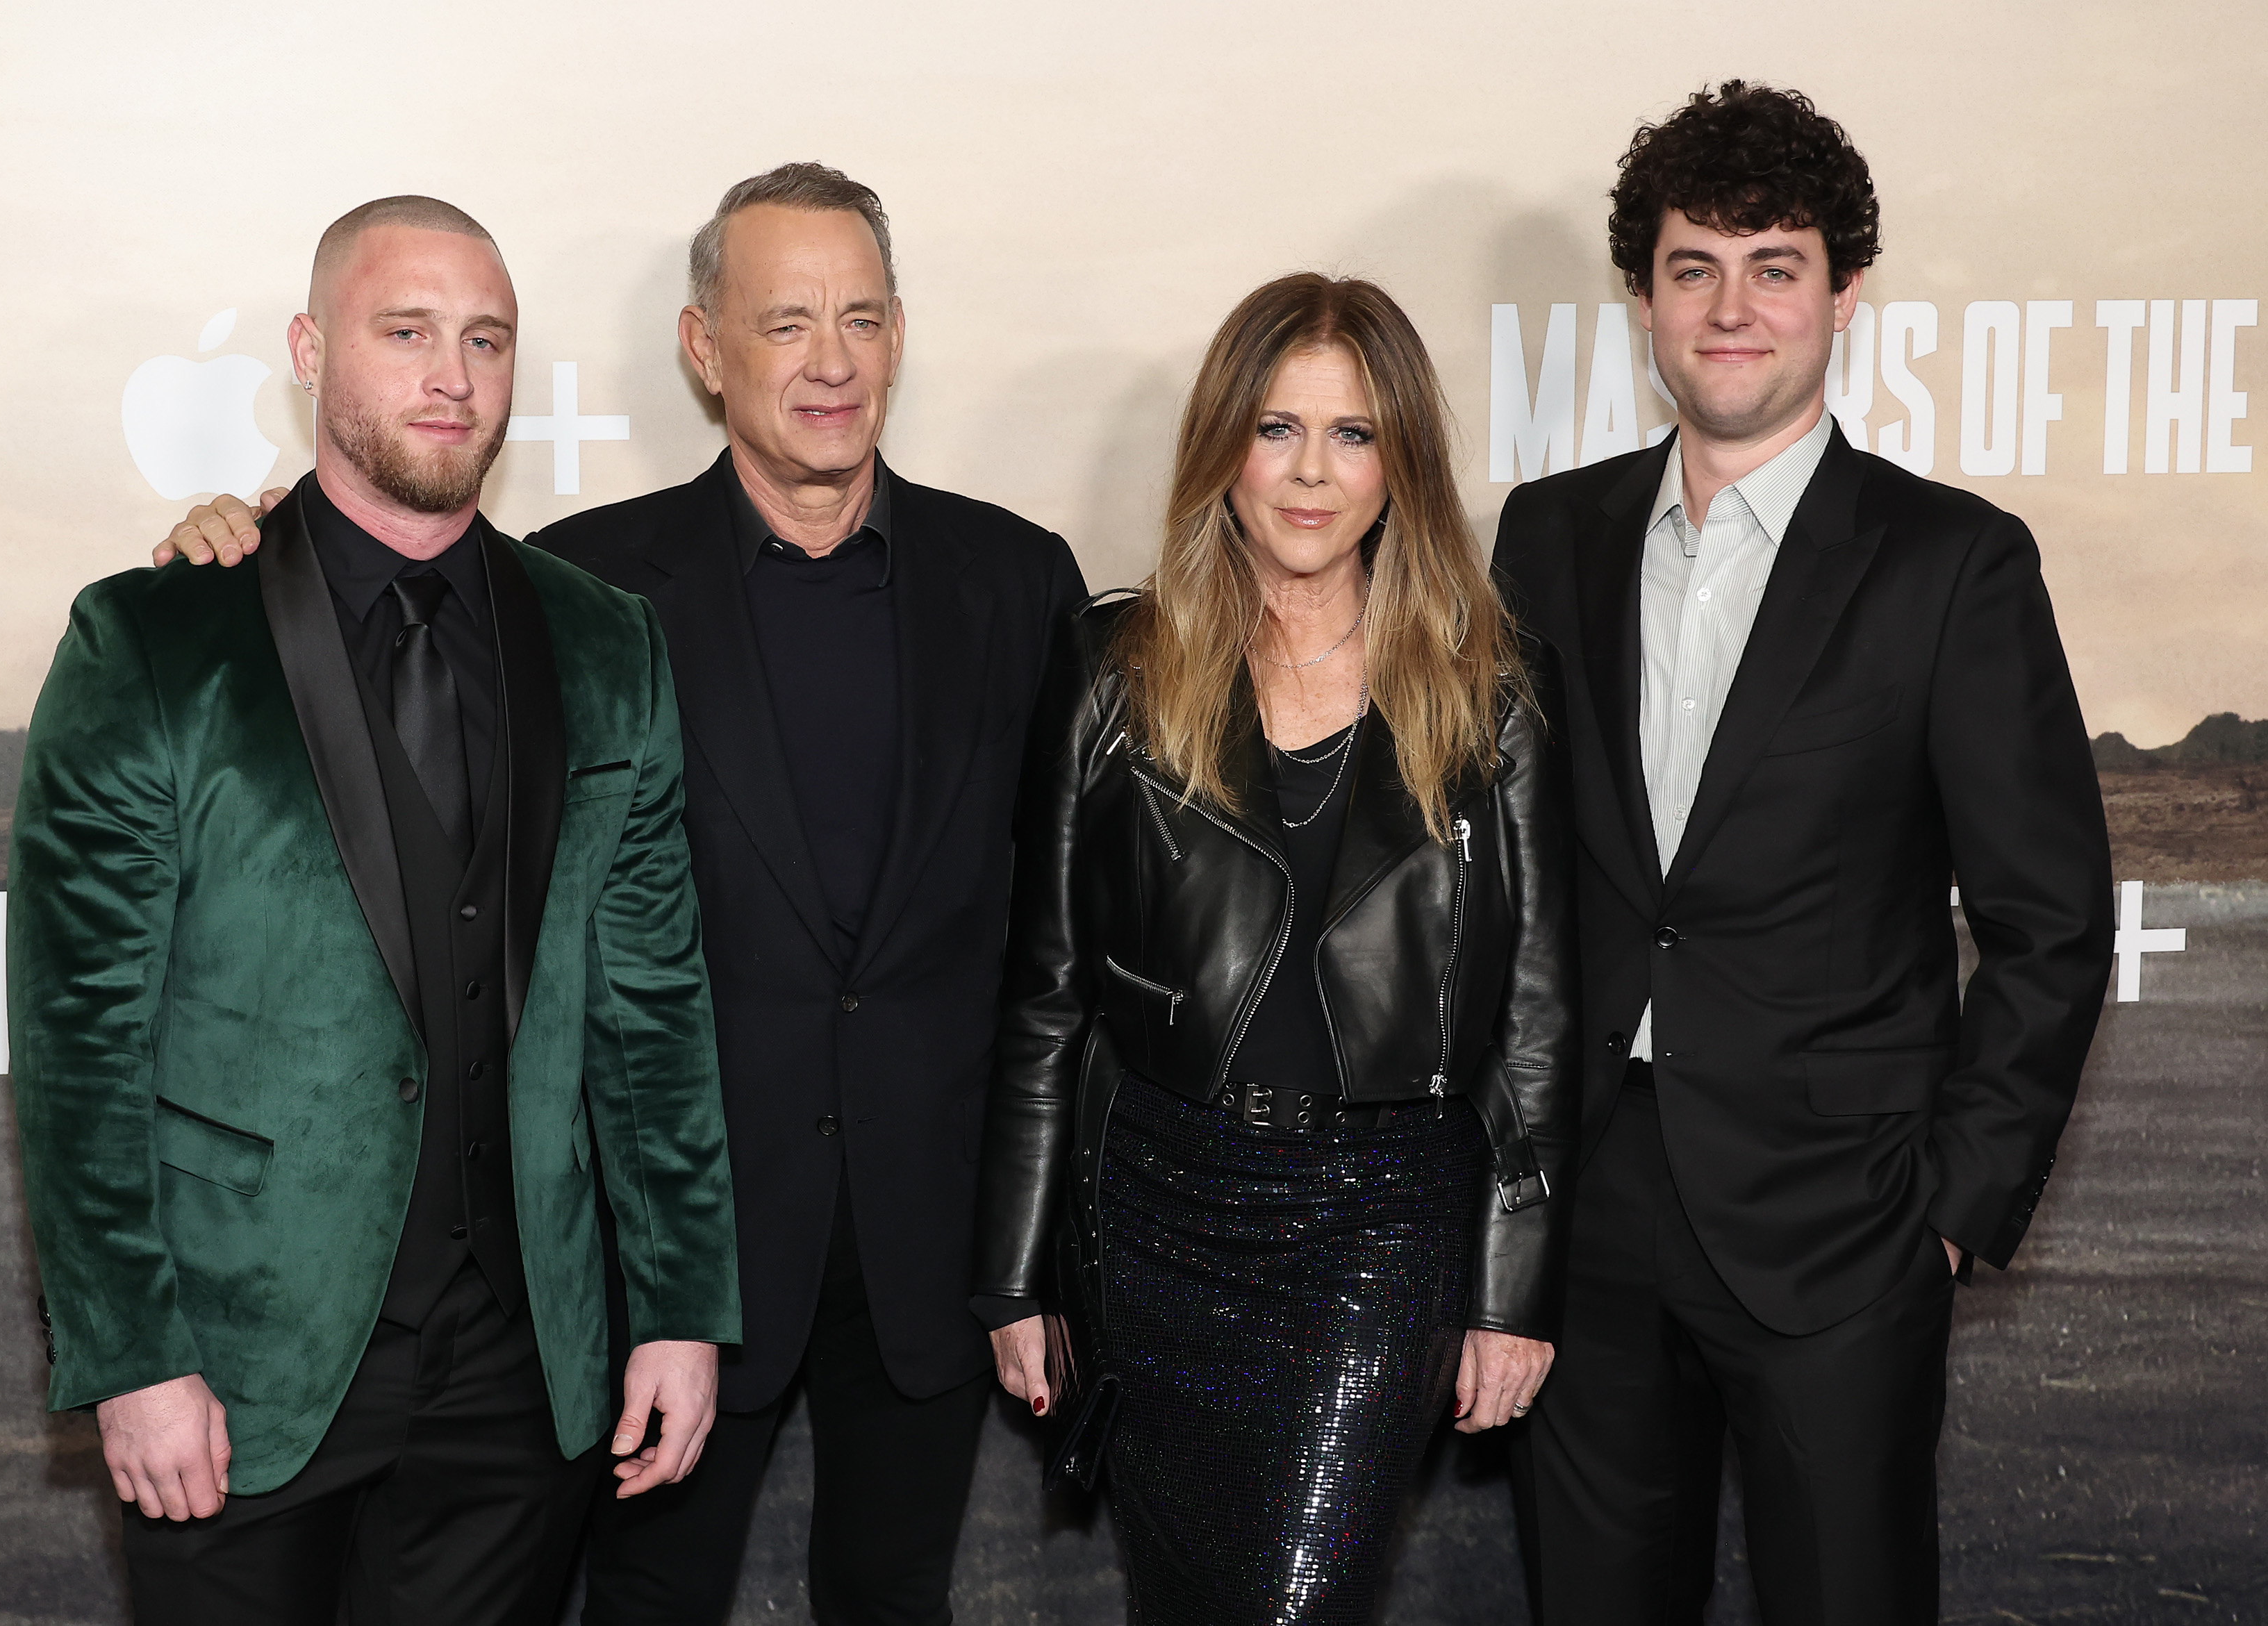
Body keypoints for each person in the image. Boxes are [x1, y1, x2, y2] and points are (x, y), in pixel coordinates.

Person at [152, 163, 1088, 1625]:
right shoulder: (576, 589)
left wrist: (1039, 1246)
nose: (829, 361)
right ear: (704, 350)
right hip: (669, 1259)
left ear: (900, 334)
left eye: (858, 317)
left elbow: (1060, 942)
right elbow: (358, 609)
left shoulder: (1022, 583)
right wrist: (241, 544)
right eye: (784, 323)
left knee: (896, 1595)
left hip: (930, 1240)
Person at [10, 196, 739, 1626]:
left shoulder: (606, 641)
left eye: (485, 338)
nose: (450, 374)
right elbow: (79, 1041)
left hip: (523, 1371)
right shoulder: (155, 638)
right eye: (405, 332)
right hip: (237, 1361)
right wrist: (132, 1353)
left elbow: (651, 1013)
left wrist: (676, 1304)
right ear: (309, 350)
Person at [1491, 83, 2117, 1625]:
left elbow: (2049, 914)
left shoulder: (1950, 564)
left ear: (1842, 294)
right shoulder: (1544, 538)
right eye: (1694, 265)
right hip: (1588, 1211)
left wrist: (1956, 1203)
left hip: (1844, 1220)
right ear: (1643, 293)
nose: (1731, 306)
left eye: (1774, 265)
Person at [972, 272, 1580, 1623]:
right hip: (1152, 1214)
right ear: (1222, 450)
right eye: (1276, 429)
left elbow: (1536, 1016)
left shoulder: (1486, 688)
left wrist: (1513, 1288)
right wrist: (1016, 1271)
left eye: (1353, 434)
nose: (1311, 472)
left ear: (1401, 462)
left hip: (1377, 1226)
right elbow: (1045, 995)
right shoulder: (1114, 668)